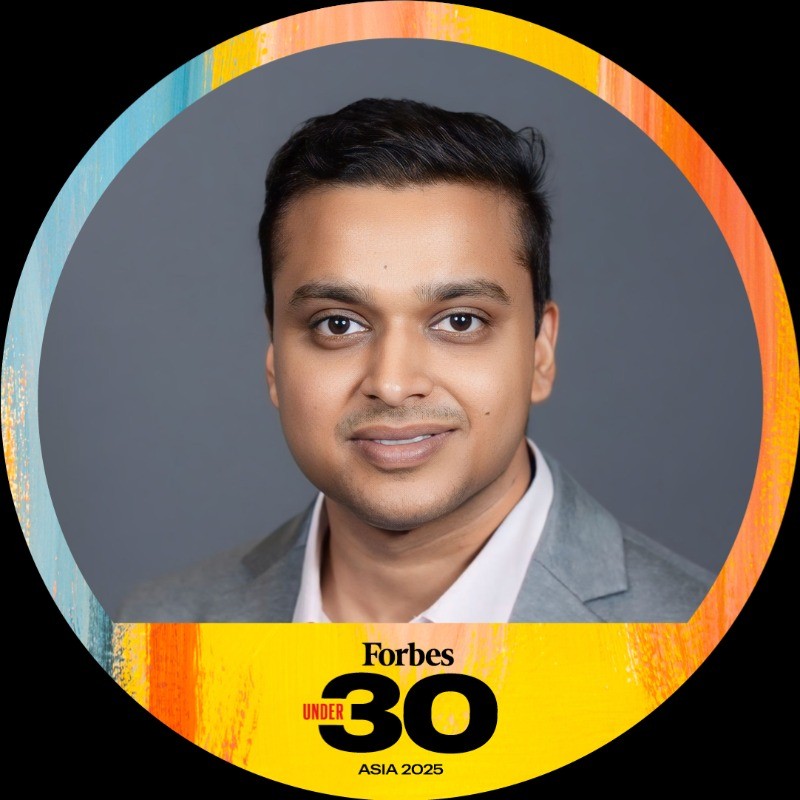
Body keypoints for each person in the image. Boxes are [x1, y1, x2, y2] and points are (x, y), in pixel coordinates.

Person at [118, 98, 712, 623]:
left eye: (460, 321)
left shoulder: (696, 632)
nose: (394, 384)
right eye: (338, 324)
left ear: (541, 351)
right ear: (275, 363)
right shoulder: (158, 631)